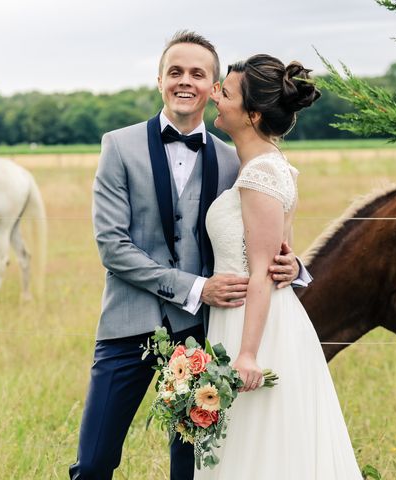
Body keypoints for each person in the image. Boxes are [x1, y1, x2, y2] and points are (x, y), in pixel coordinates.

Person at [69, 32, 310, 480]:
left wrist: (296, 266)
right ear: (158, 79)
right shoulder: (118, 146)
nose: (185, 81)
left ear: (214, 87)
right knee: (95, 460)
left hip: (201, 333)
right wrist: (198, 287)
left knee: (194, 466)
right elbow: (112, 246)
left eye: (197, 74)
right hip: (127, 324)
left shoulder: (235, 160)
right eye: (175, 71)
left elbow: (263, 237)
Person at [195, 55, 361, 479]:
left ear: (252, 114)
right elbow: (279, 257)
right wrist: (294, 264)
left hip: (254, 328)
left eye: (225, 93)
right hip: (250, 317)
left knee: (257, 449)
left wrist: (248, 354)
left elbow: (262, 271)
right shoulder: (269, 164)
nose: (215, 95)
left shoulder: (261, 174)